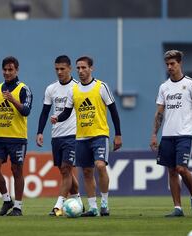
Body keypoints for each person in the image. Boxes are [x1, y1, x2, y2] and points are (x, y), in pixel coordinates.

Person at [51, 56, 122, 217]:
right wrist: (57, 117)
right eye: (78, 68)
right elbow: (67, 112)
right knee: (87, 172)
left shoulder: (101, 87)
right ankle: (93, 208)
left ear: (91, 69)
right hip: (81, 137)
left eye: (84, 68)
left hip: (99, 134)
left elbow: (114, 111)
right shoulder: (73, 90)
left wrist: (118, 134)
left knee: (100, 165)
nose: (81, 71)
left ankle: (104, 203)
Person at [150, 50, 192, 217]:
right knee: (171, 171)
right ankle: (178, 208)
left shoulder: (191, 83)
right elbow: (159, 112)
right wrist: (154, 134)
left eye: (172, 64)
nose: (169, 67)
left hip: (185, 133)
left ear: (180, 64)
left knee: (181, 168)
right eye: (167, 64)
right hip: (168, 135)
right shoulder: (164, 87)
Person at [36, 55, 83, 216]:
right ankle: (78, 201)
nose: (59, 72)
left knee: (66, 168)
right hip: (56, 136)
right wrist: (40, 132)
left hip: (73, 135)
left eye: (62, 69)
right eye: (56, 69)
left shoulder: (77, 87)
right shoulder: (51, 89)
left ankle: (58, 205)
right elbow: (44, 112)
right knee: (65, 172)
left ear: (70, 68)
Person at [0, 56, 33, 216]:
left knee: (16, 170)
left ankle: (18, 207)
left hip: (17, 138)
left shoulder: (23, 89)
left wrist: (13, 100)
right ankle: (7, 199)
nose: (7, 72)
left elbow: (26, 111)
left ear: (16, 70)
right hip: (0, 137)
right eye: (5, 70)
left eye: (10, 70)